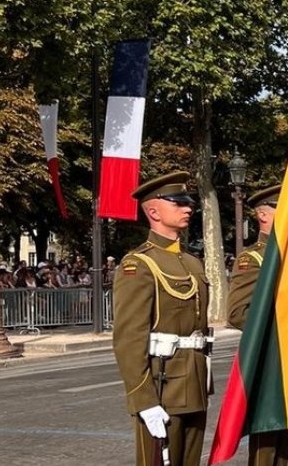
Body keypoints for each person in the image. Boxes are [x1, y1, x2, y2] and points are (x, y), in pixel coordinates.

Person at [111, 171, 210, 466]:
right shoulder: (138, 265)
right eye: (178, 203)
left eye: (188, 202)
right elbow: (129, 339)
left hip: (195, 381)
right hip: (163, 384)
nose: (188, 208)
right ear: (153, 211)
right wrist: (143, 400)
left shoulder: (193, 263)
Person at [227, 184, 288, 466]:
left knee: (286, 441)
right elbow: (237, 313)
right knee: (266, 443)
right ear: (263, 215)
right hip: (268, 359)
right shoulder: (254, 259)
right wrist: (277, 332)